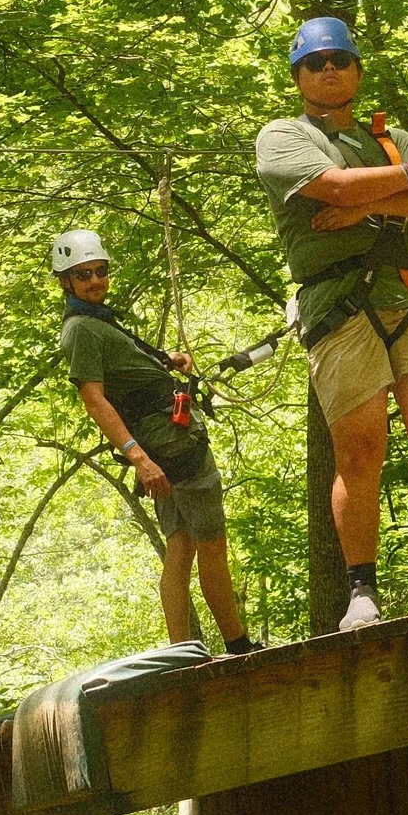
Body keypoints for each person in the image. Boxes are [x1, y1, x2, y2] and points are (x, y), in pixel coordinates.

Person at [254, 14, 408, 631]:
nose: (329, 69)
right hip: (338, 303)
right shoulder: (283, 135)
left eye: (339, 59)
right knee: (360, 449)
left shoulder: (391, 138)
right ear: (299, 76)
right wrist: (407, 181)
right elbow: (332, 185)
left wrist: (382, 192)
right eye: (316, 63)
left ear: (357, 70)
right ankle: (362, 590)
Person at [50, 230, 257, 654]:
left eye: (100, 271)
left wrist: (166, 361)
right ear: (65, 282)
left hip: (163, 447)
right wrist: (138, 457)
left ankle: (181, 652)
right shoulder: (83, 330)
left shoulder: (98, 323)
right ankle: (239, 646)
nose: (95, 280)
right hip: (172, 447)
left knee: (180, 546)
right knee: (212, 544)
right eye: (83, 274)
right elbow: (94, 399)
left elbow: (125, 372)